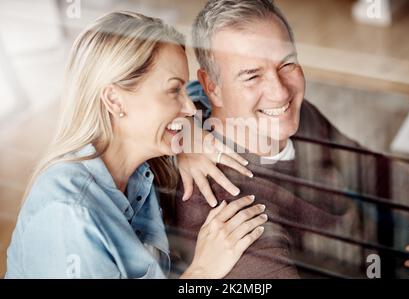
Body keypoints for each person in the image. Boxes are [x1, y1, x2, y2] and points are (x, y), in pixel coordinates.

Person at [168, 0, 409, 278]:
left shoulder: (294, 118)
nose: (280, 92)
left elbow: (368, 166)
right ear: (212, 87)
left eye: (287, 63)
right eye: (252, 76)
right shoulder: (233, 218)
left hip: (375, 254)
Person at [5, 11, 267, 279]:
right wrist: (202, 271)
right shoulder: (70, 216)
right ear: (116, 101)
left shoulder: (135, 168)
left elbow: (201, 91)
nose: (189, 106)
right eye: (173, 91)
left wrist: (190, 134)